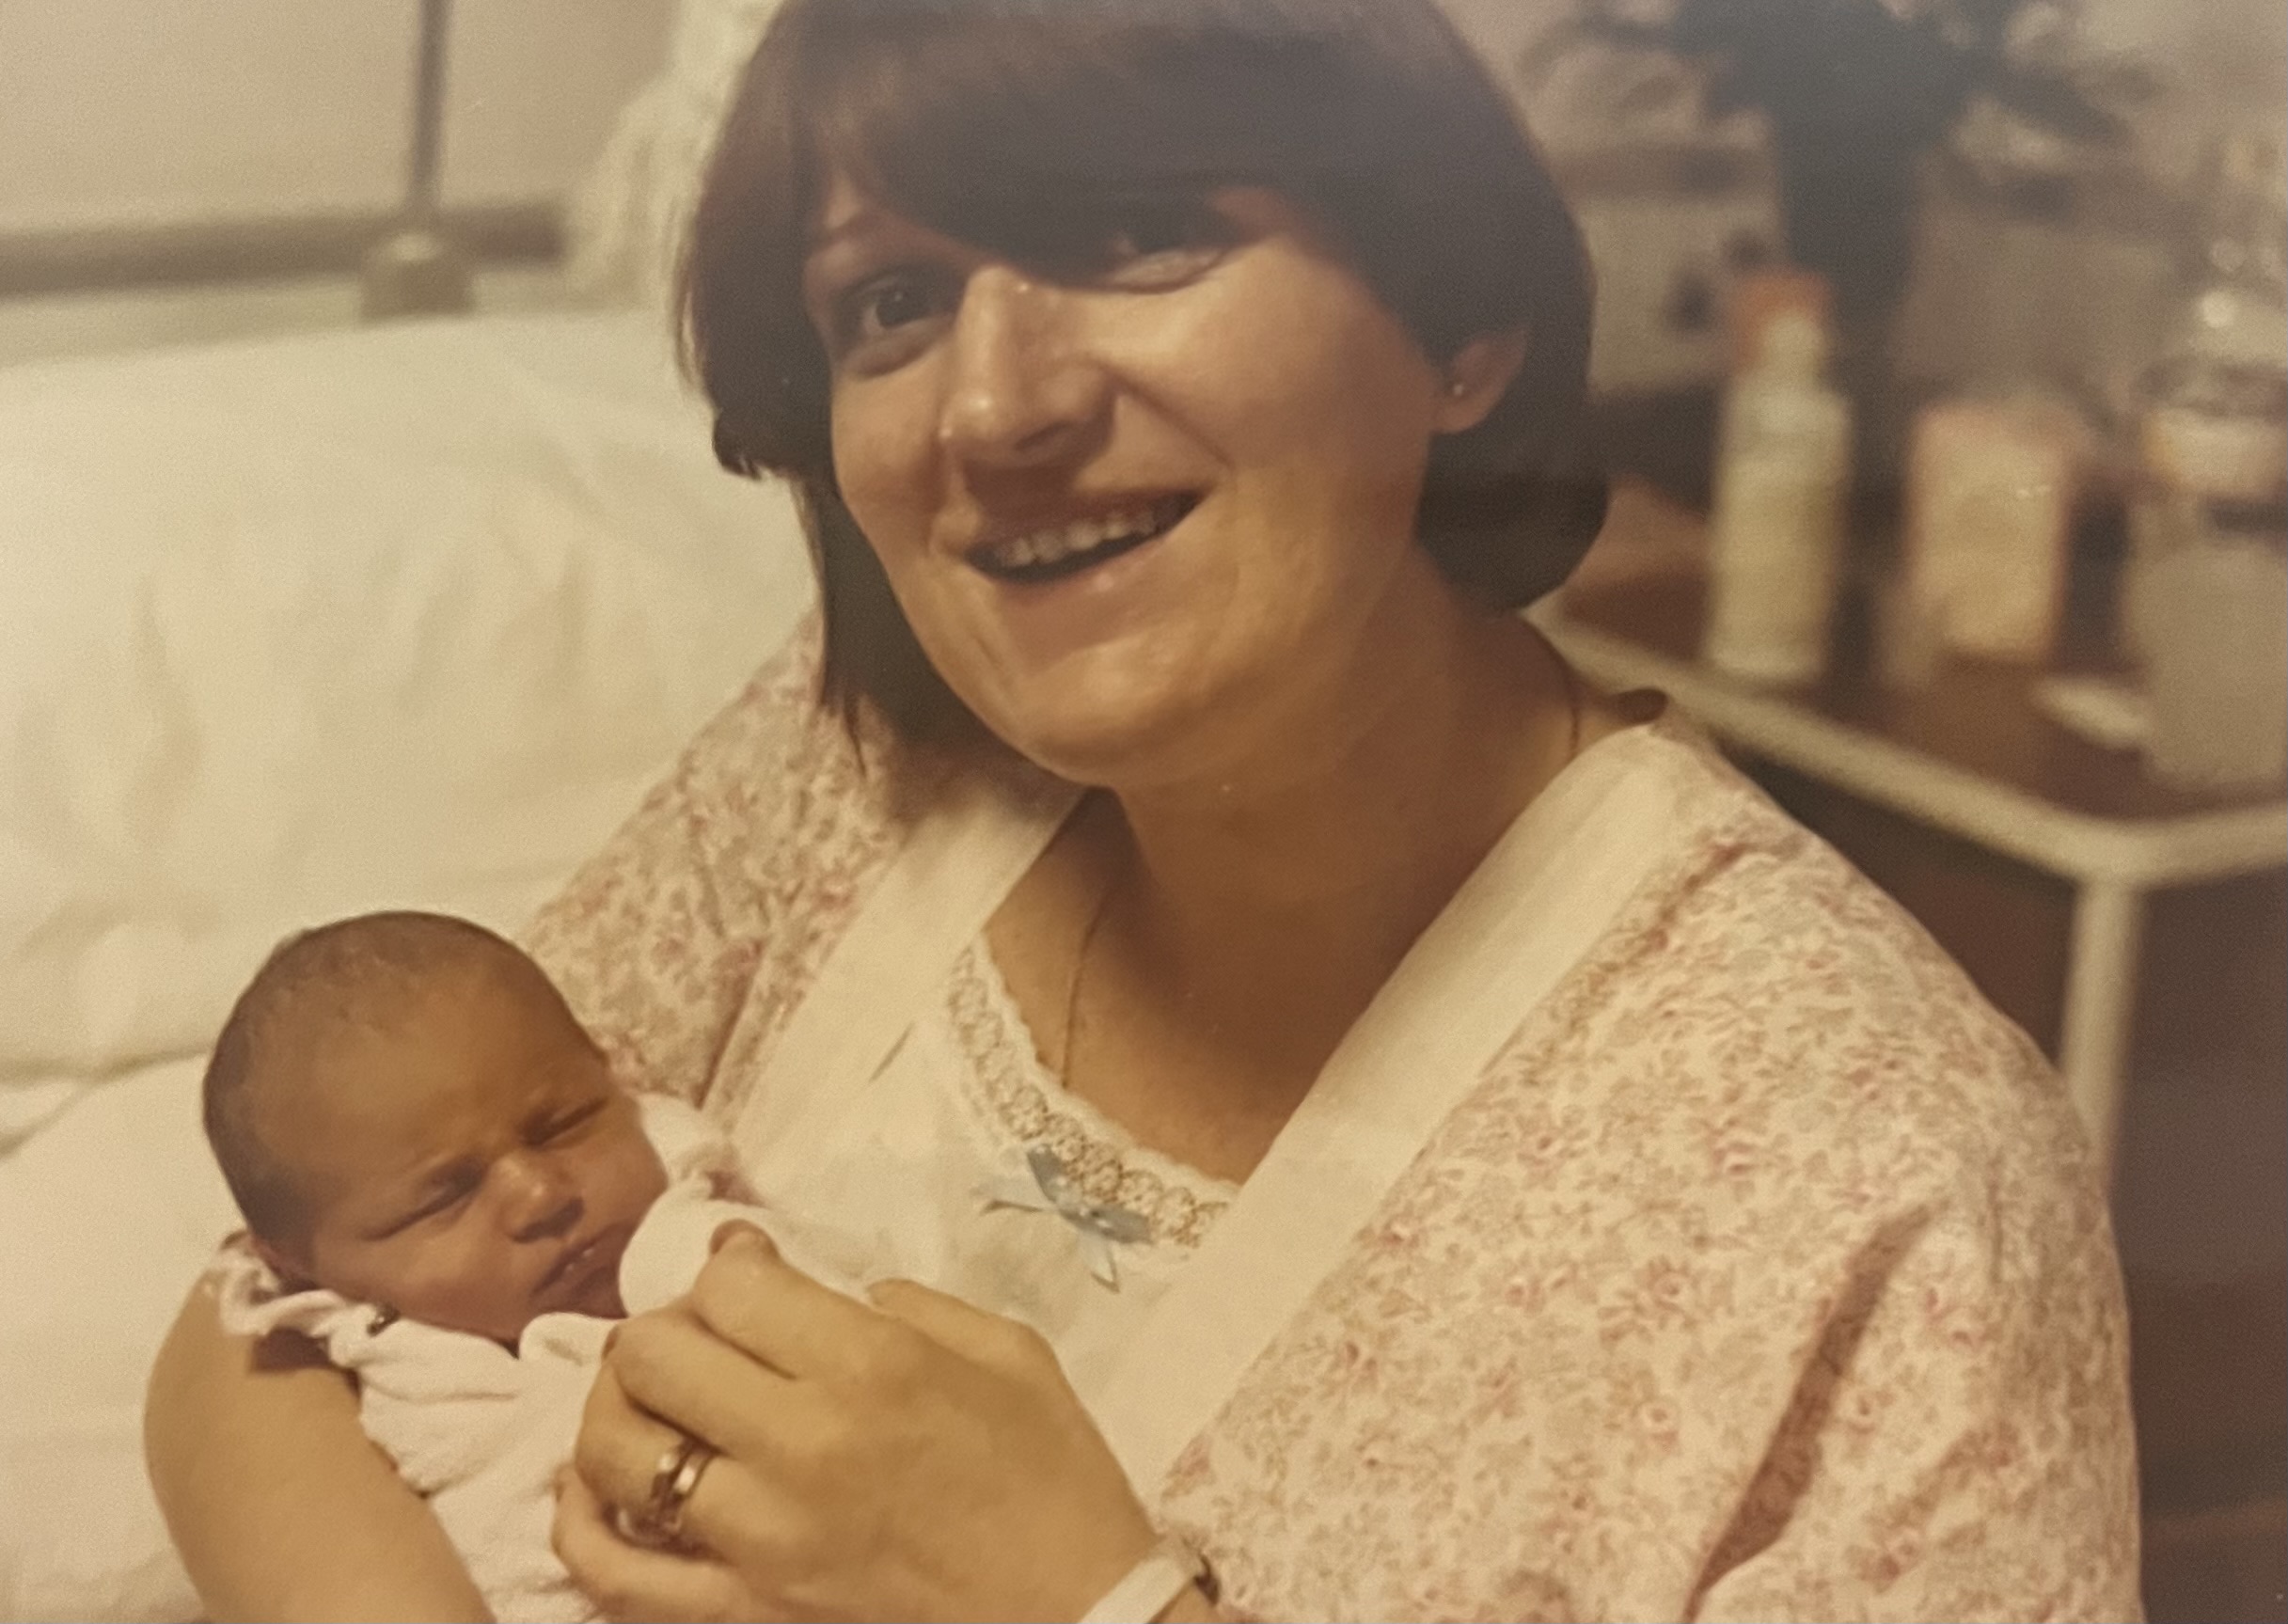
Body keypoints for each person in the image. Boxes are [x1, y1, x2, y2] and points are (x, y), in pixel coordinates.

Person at [146, 0, 2141, 1618]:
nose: (994, 404)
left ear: (1459, 329)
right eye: (888, 303)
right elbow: (268, 1336)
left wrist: (1077, 1602)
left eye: (1131, 237)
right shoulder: (855, 774)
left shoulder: (1865, 1179)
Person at [193, 910, 866, 1622]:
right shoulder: (387, 1368)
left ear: (612, 1074)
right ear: (303, 1267)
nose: (541, 1194)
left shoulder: (700, 1231)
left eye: (564, 1122)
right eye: (446, 1195)